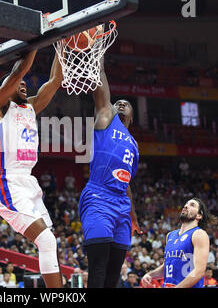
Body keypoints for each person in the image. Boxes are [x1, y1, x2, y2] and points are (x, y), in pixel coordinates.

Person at [0, 49, 63, 288]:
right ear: (5, 89)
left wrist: (62, 43)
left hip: (28, 182)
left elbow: (55, 81)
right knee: (47, 241)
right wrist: (37, 42)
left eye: (24, 84)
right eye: (18, 83)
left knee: (50, 243)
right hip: (7, 183)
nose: (24, 84)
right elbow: (20, 70)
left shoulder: (30, 107)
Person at [78, 57, 141, 288]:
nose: (121, 103)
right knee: (98, 268)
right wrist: (98, 54)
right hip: (99, 197)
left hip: (122, 206)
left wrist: (133, 214)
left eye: (127, 103)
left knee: (114, 275)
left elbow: (127, 182)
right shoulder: (106, 118)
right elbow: (100, 80)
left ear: (132, 118)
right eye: (118, 102)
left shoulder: (133, 145)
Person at [141, 198, 217, 288]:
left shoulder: (199, 234)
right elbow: (168, 266)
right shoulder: (170, 235)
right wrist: (150, 275)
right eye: (186, 204)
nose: (186, 206)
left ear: (199, 215)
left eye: (192, 205)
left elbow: (199, 272)